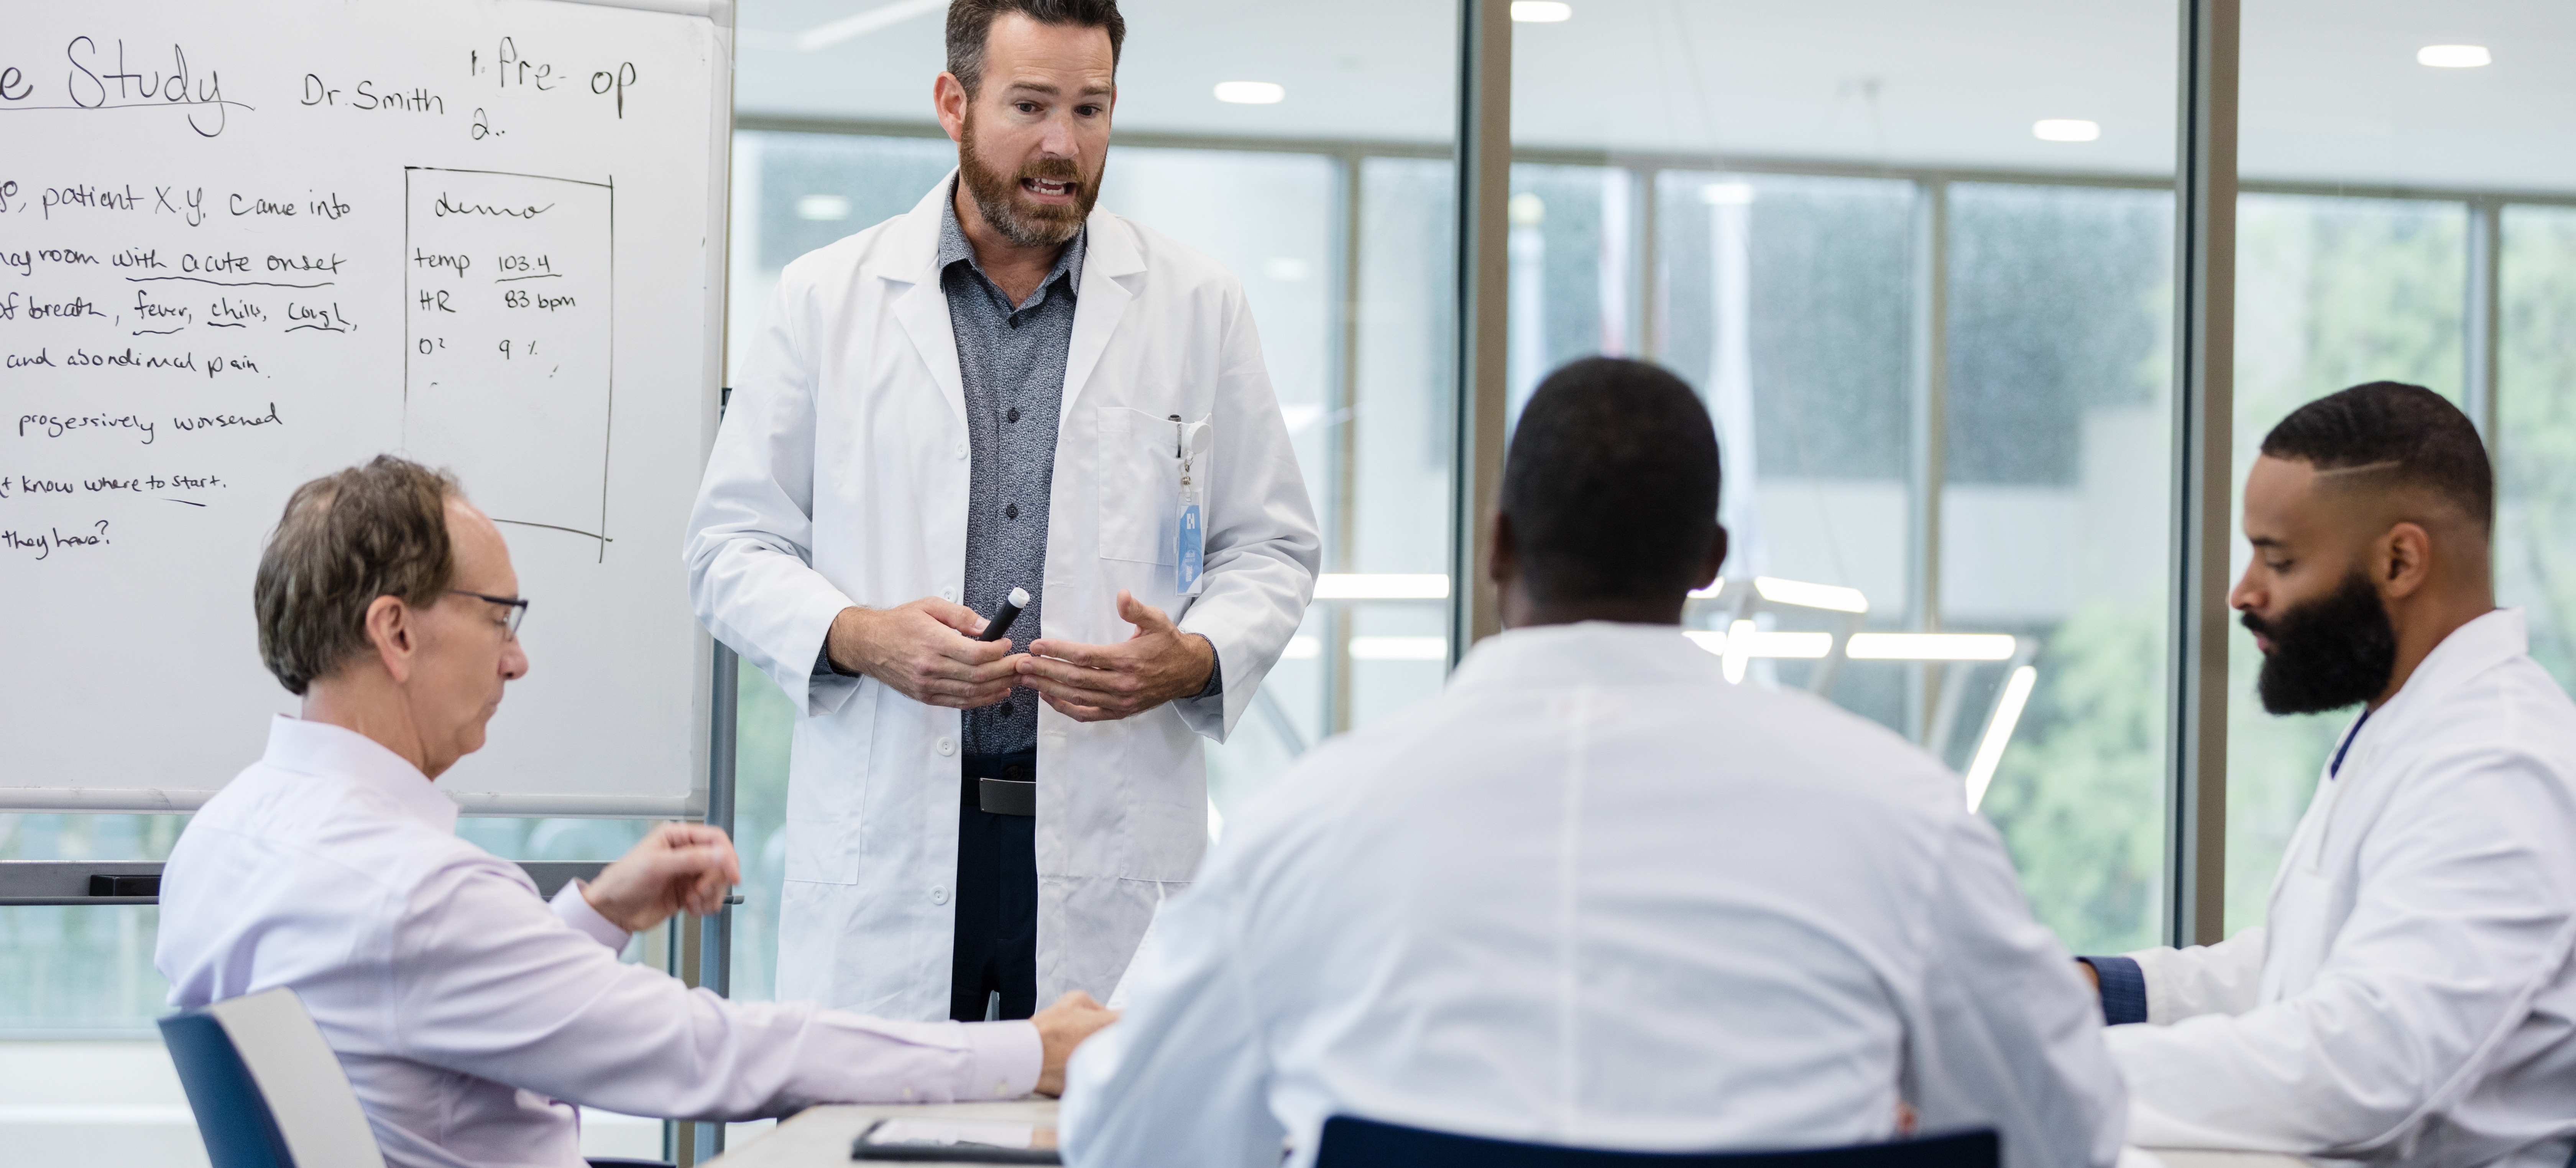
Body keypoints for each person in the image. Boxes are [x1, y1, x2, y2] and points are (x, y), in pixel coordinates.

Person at [1056, 358, 2125, 1168]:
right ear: (1710, 562)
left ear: (1498, 545)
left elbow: (1133, 1136)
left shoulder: (1312, 823)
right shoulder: (1902, 812)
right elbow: (2066, 1123)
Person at [156, 457, 1116, 1168]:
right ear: (396, 630)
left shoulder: (225, 838)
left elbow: (426, 1012)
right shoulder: (414, 892)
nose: (516, 658)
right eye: (499, 616)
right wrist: (1031, 1046)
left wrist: (596, 914)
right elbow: (714, 1055)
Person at [684, 0, 1319, 1026]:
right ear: (953, 103)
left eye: (1090, 107)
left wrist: (1194, 656)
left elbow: (1274, 547)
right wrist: (858, 634)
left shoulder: (1197, 306)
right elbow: (727, 547)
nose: (1063, 146)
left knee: (1104, 1132)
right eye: (1030, 106)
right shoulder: (826, 298)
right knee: (879, 1125)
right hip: (891, 833)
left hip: (1108, 836)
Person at [2078, 383, 2576, 1167]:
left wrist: (2046, 1073)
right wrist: (2105, 994)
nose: (2243, 592)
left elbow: (2369, 1068)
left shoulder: (2496, 765)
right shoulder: (2409, 721)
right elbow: (2312, 968)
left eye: (2278, 558)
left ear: (2400, 559)